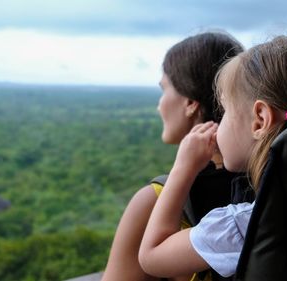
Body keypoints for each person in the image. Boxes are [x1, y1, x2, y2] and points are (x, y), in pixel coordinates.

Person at [138, 33, 287, 278]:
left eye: (224, 110)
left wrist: (183, 168)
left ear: (260, 120)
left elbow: (152, 256)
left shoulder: (248, 224)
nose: (218, 122)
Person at [102, 32, 244, 281]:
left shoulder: (153, 201)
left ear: (190, 103)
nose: (160, 105)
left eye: (164, 89)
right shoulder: (266, 180)